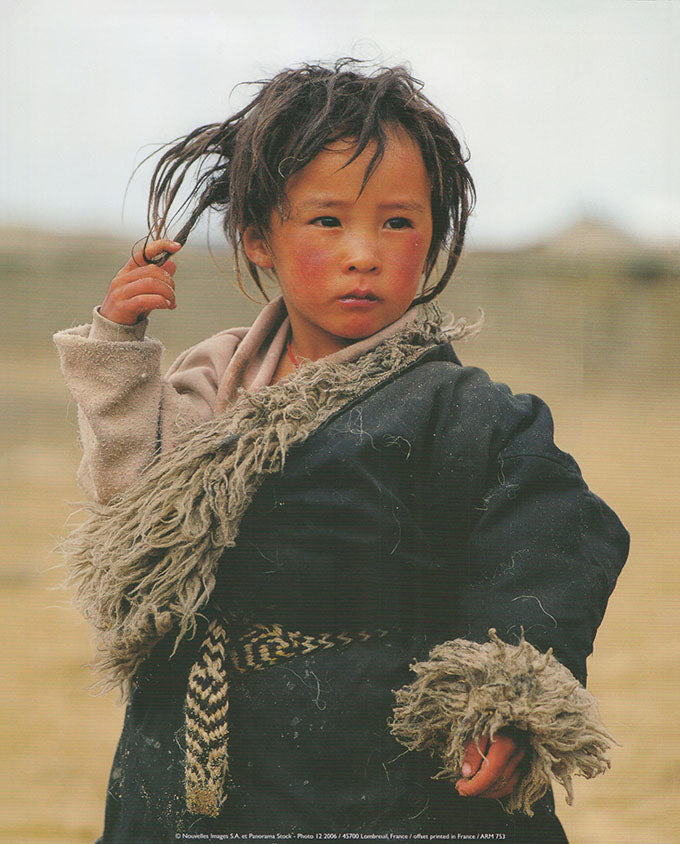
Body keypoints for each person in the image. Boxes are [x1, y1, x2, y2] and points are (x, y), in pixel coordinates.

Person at [54, 60, 629, 842]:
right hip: (191, 755)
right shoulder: (211, 381)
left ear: (433, 237)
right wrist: (119, 351)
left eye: (397, 222)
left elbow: (553, 544)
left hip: (378, 769)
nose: (364, 252)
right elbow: (135, 507)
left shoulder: (469, 413)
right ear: (258, 238)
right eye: (327, 221)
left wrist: (506, 701)